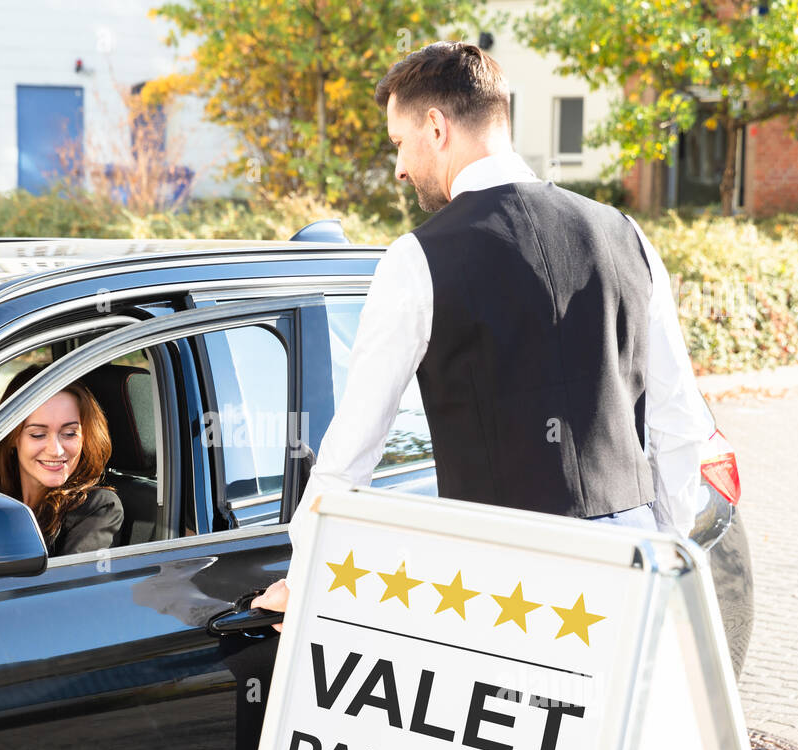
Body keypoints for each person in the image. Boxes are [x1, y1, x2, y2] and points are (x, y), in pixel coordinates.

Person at [251, 40, 715, 628]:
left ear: (436, 127)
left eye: (399, 143)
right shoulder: (627, 235)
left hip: (507, 593)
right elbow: (678, 423)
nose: (398, 167)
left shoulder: (416, 258)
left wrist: (303, 575)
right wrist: (665, 550)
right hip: (632, 574)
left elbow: (354, 446)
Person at [0, 365, 123, 557]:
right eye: (38, 435)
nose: (56, 451)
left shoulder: (98, 508)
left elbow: (72, 584)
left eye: (69, 433)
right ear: (12, 437)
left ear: (85, 437)